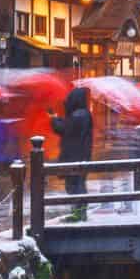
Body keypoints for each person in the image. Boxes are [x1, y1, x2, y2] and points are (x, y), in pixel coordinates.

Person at [50, 84, 93, 219]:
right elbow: (70, 127)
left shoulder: (78, 115)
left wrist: (54, 118)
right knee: (77, 183)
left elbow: (64, 129)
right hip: (80, 155)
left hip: (74, 156)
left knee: (75, 185)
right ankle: (78, 213)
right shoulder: (83, 114)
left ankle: (78, 214)